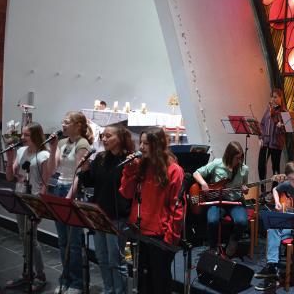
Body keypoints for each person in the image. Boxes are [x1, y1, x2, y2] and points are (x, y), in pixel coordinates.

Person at [119, 127, 184, 294]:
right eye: (140, 142)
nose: (140, 147)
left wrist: (170, 238)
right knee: (139, 278)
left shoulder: (174, 170)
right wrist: (129, 170)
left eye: (146, 143)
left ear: (158, 145)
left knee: (159, 282)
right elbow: (126, 193)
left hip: (159, 237)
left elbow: (177, 208)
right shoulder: (140, 166)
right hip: (136, 231)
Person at [78, 124, 135, 294]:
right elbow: (90, 183)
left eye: (108, 136)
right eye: (103, 135)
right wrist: (85, 170)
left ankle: (120, 291)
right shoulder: (101, 158)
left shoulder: (129, 160)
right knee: (102, 258)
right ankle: (108, 289)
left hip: (117, 217)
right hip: (99, 215)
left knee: (116, 261)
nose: (104, 139)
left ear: (121, 138)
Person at [47, 111, 94, 294]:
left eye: (67, 122)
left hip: (72, 192)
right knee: (62, 240)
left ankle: (76, 283)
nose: (63, 125)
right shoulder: (61, 143)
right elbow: (52, 170)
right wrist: (52, 149)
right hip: (58, 188)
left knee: (74, 243)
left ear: (78, 125)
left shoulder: (83, 143)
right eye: (63, 121)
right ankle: (65, 278)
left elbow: (79, 175)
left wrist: (69, 198)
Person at [254, 161, 294, 291]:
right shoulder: (288, 184)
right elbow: (275, 189)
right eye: (291, 179)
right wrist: (277, 202)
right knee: (273, 228)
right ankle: (273, 267)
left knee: (277, 234)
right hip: (290, 224)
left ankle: (273, 270)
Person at [4, 122, 50, 292]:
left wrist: (41, 207)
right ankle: (27, 273)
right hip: (19, 196)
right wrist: (9, 158)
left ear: (36, 136)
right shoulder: (21, 151)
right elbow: (10, 176)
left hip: (34, 199)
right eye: (22, 135)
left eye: (26, 135)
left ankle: (40, 274)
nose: (22, 138)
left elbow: (45, 183)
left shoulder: (44, 155)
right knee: (24, 237)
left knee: (32, 239)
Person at [193, 141, 249, 256]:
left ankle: (233, 240)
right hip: (217, 201)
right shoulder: (217, 163)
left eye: (240, 158)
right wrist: (204, 184)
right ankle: (213, 247)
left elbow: (244, 187)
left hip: (235, 201)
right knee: (212, 220)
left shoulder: (244, 169)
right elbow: (196, 173)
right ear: (229, 155)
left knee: (242, 222)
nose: (239, 161)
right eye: (236, 158)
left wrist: (245, 190)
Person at [258, 88, 286, 193]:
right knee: (261, 166)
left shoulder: (283, 112)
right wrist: (260, 138)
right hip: (265, 142)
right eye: (272, 97)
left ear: (280, 98)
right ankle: (262, 190)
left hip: (276, 143)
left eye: (275, 97)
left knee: (275, 168)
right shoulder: (268, 109)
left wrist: (280, 126)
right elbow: (262, 124)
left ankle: (274, 191)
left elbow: (286, 129)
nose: (273, 99)